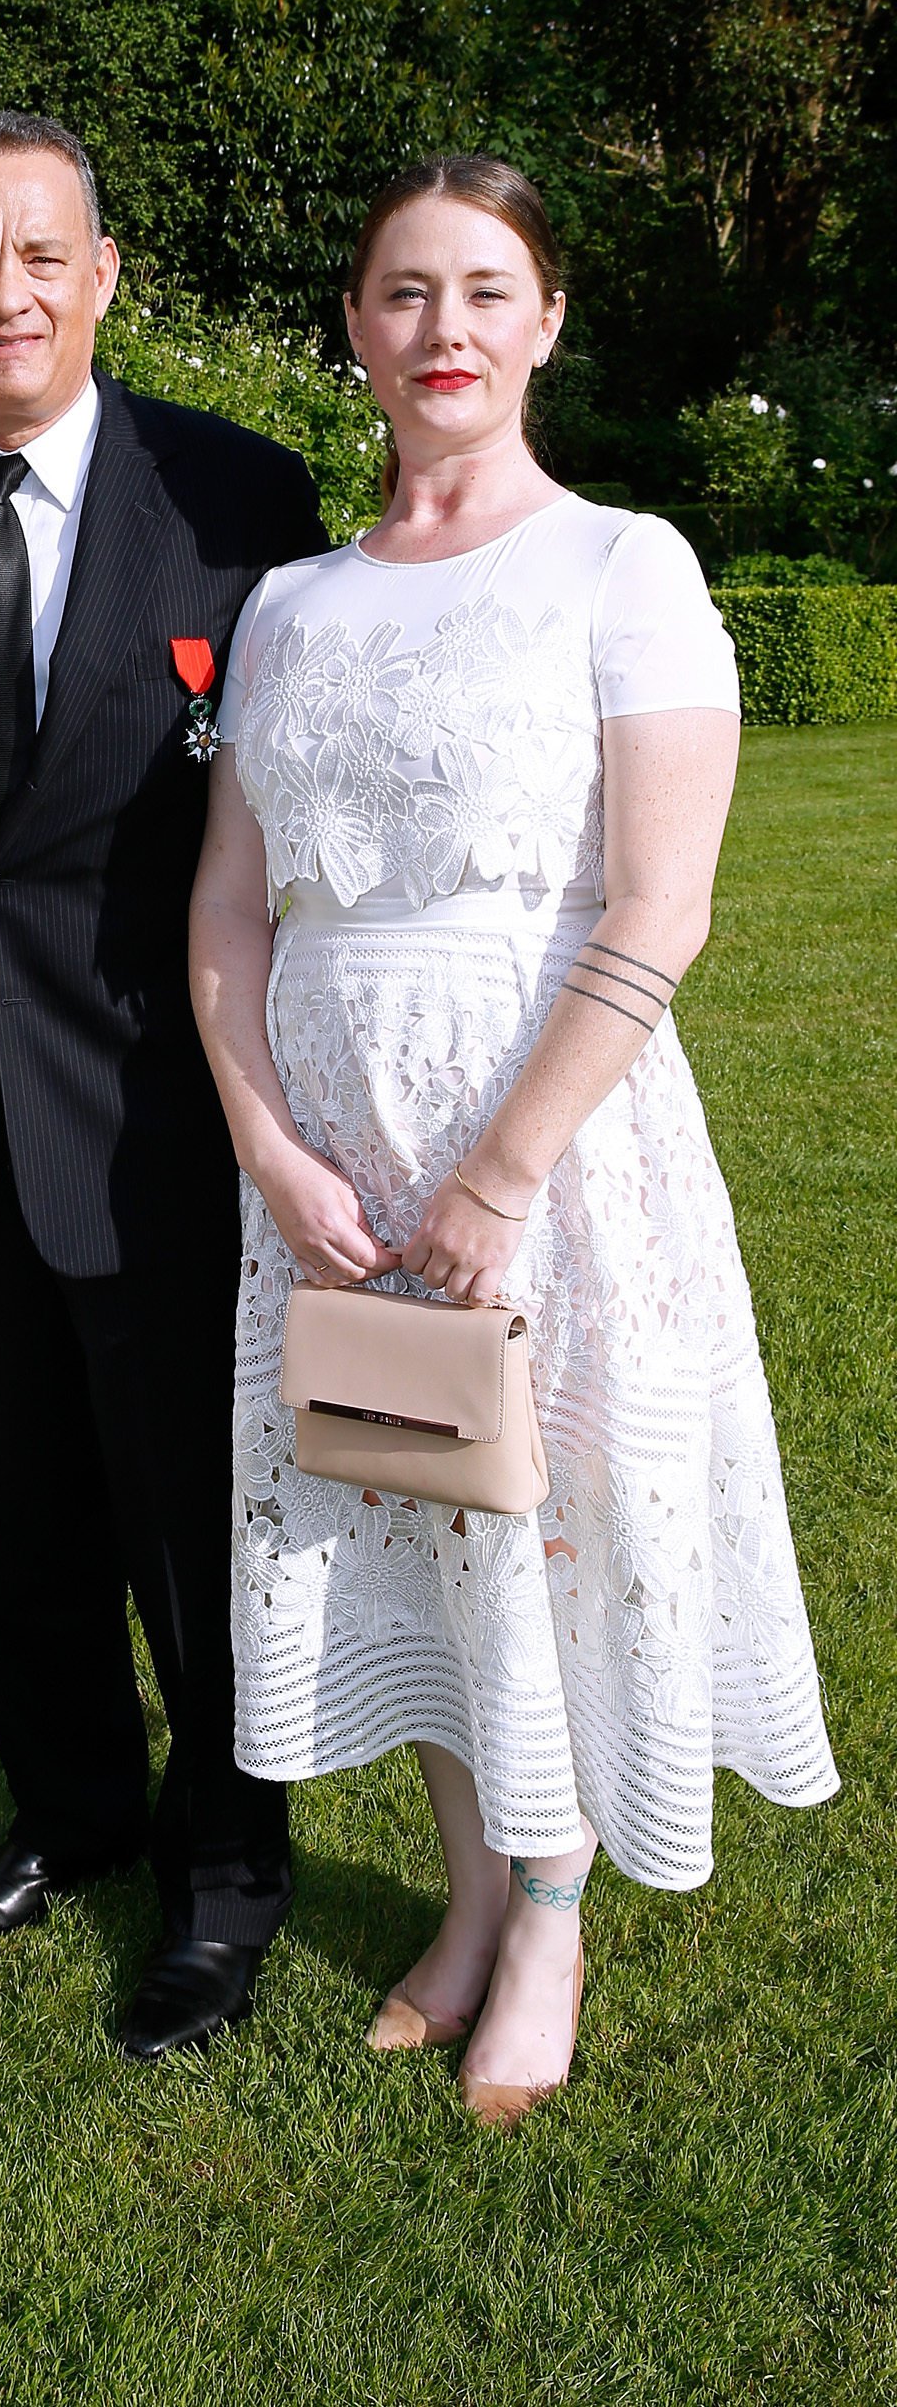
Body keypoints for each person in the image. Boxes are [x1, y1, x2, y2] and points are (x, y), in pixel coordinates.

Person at [190, 152, 839, 2125]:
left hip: (545, 1144)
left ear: (543, 321)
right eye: (403, 293)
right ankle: (470, 1891)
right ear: (357, 330)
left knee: (543, 1519)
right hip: (326, 1160)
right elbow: (226, 909)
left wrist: (497, 1173)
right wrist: (268, 1151)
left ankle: (547, 1916)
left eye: (482, 291)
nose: (441, 328)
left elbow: (662, 904)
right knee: (403, 1509)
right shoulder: (288, 604)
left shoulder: (622, 565)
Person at [0, 112, 328, 2059]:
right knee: (11, 1516)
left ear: (104, 274)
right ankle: (70, 1808)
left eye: (41, 254)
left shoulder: (235, 500)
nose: (3, 293)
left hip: (165, 1119)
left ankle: (224, 1880)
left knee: (195, 1532)